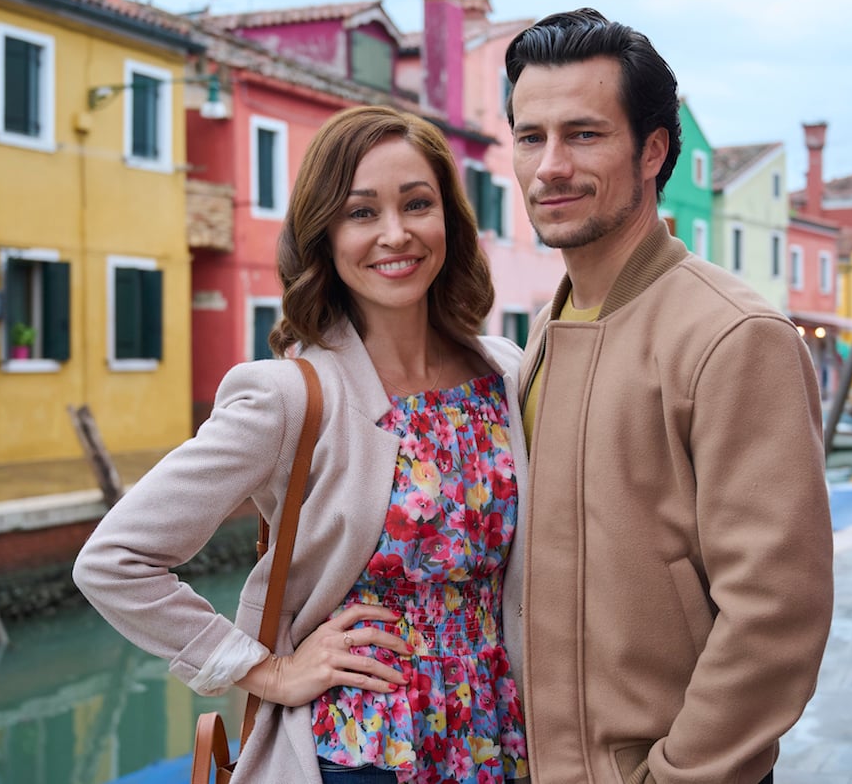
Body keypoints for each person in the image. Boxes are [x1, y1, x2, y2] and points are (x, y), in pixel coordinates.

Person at [74, 105, 531, 783]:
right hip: (360, 754)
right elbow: (113, 560)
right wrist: (269, 670)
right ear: (324, 234)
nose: (396, 233)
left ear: (450, 222)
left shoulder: (506, 372)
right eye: (361, 212)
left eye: (417, 204)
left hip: (503, 739)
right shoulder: (288, 395)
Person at [503, 8, 834, 784]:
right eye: (530, 137)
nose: (550, 166)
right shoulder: (547, 326)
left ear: (653, 151)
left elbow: (776, 615)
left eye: (583, 134)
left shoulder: (735, 335)